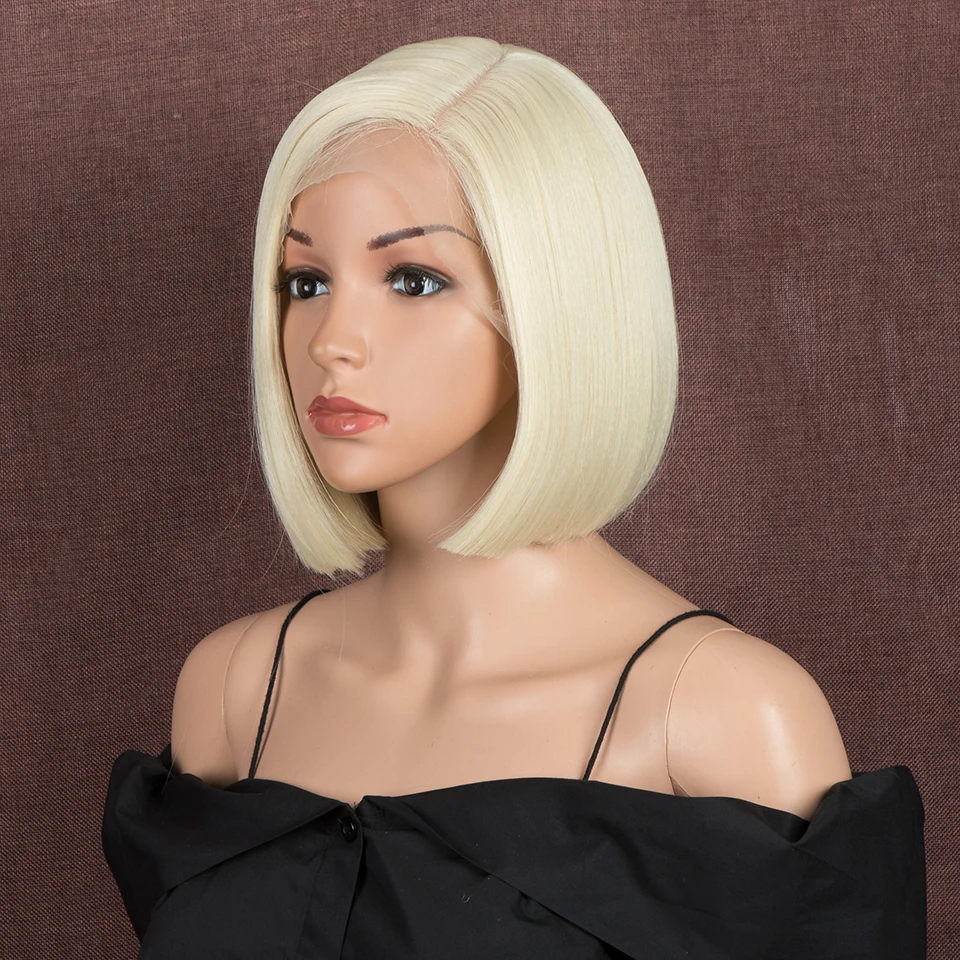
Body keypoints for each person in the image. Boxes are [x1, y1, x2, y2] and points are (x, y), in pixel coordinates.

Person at [101, 36, 926, 958]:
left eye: (412, 279)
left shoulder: (719, 713)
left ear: (557, 303)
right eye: (307, 281)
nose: (332, 339)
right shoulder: (235, 689)